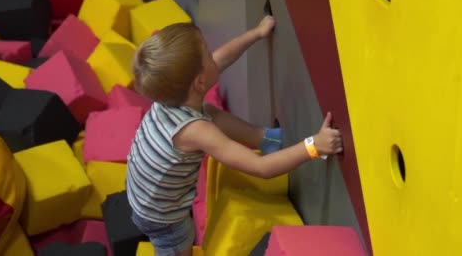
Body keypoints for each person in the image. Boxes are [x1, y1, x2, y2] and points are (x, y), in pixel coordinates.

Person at [126, 15, 343, 256]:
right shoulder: (194, 130)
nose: (213, 55)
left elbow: (221, 59)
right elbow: (261, 167)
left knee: (207, 112)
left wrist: (257, 33)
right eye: (207, 53)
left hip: (142, 194)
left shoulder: (173, 94)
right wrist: (315, 146)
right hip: (163, 220)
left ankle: (265, 139)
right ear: (199, 82)